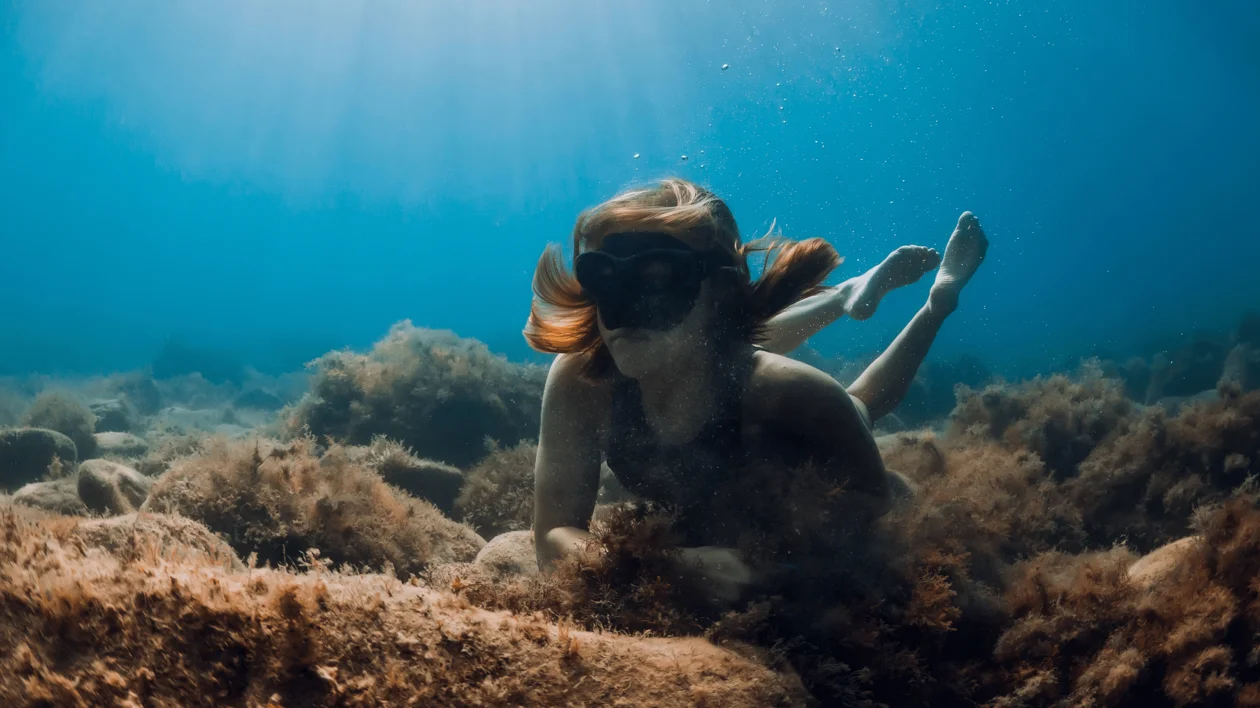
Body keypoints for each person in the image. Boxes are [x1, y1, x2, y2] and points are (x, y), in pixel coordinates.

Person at [525, 178, 988, 602]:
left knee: (860, 404)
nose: (625, 311)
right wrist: (677, 567)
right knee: (694, 348)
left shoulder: (792, 392)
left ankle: (938, 303)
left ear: (720, 290)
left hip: (762, 406)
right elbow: (552, 538)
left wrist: (790, 551)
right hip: (712, 348)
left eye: (659, 279)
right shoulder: (583, 381)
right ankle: (844, 295)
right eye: (605, 278)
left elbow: (872, 501)